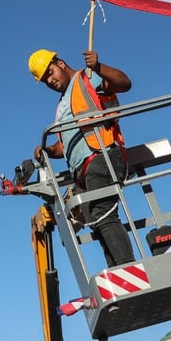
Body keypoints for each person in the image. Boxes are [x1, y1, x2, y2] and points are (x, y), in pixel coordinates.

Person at [28, 48, 136, 267]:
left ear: (59, 63)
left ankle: (128, 268)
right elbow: (64, 146)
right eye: (45, 80)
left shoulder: (86, 78)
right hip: (83, 171)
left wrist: (98, 66)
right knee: (97, 222)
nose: (50, 81)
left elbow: (124, 83)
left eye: (50, 73)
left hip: (101, 155)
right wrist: (48, 150)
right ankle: (117, 272)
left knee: (104, 217)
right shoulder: (62, 106)